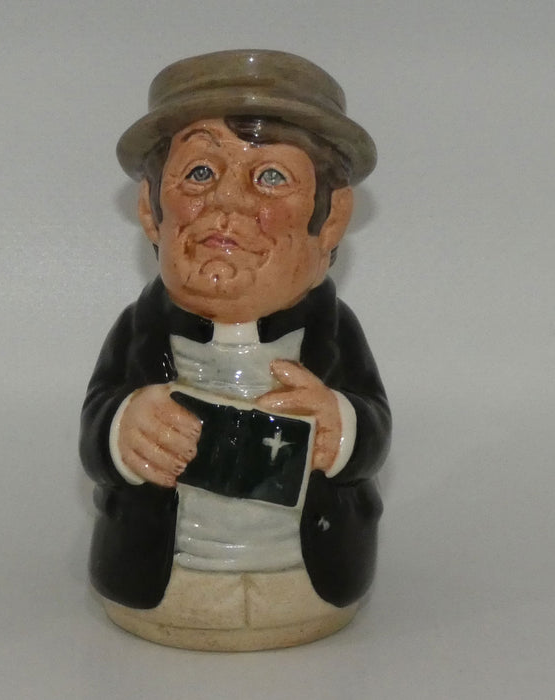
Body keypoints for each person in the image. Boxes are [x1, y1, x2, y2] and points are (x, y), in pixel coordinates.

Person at [79, 50, 391, 650]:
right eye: (199, 173)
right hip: (164, 580)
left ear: (331, 219)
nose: (228, 204)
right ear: (151, 208)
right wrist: (124, 429)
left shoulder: (335, 336)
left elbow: (372, 423)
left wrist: (343, 426)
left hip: (307, 579)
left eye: (270, 177)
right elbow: (97, 424)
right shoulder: (140, 333)